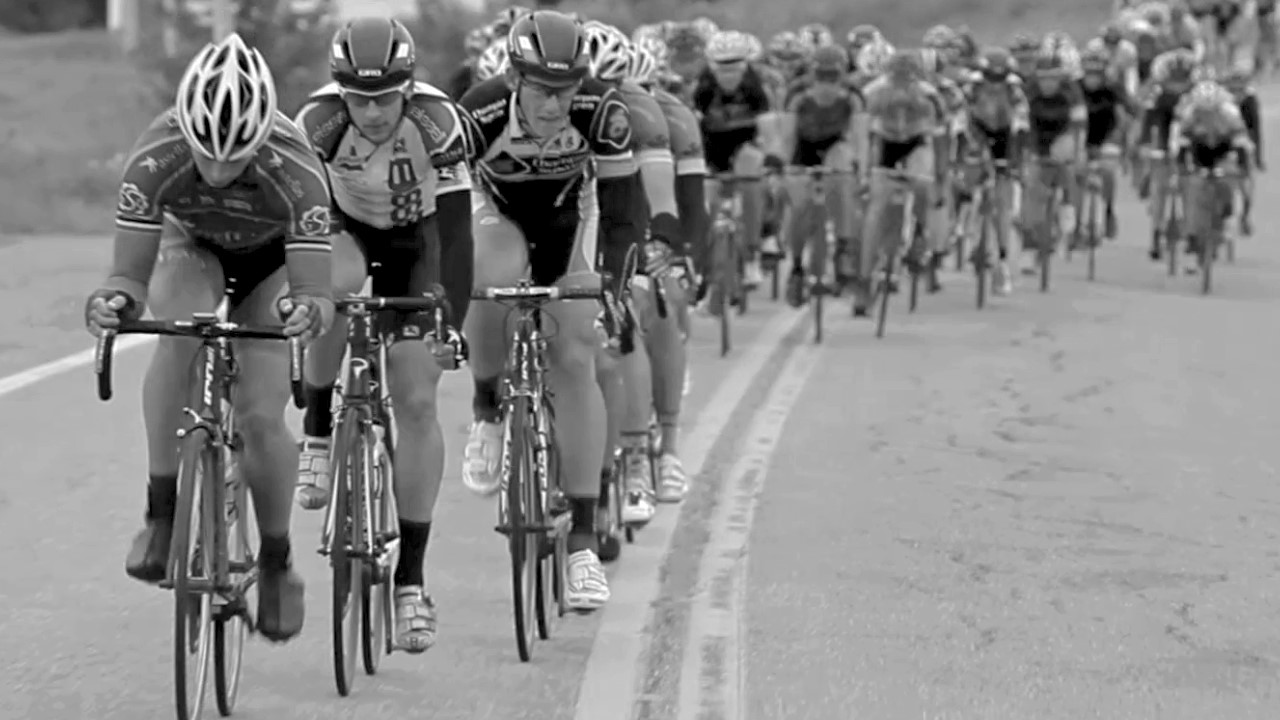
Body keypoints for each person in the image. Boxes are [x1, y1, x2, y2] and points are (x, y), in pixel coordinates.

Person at [83, 32, 344, 642]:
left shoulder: (297, 170)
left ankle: (276, 561)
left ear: (262, 140)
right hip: (192, 247)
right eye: (208, 156)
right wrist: (114, 301)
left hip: (273, 261)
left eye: (237, 158)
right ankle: (160, 510)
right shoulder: (156, 157)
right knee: (177, 331)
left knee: (258, 414)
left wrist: (307, 311)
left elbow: (315, 290)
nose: (221, 171)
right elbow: (128, 278)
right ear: (185, 131)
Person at [293, 17, 473, 653]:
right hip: (346, 230)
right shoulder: (316, 123)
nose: (371, 112)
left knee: (417, 400)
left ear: (409, 87)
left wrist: (451, 320)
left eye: (385, 97)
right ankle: (318, 427)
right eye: (358, 98)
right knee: (333, 289)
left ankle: (411, 581)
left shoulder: (438, 121)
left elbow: (457, 234)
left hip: (418, 242)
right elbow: (300, 223)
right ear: (340, 90)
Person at [458, 10, 644, 611]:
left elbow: (623, 212)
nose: (554, 105)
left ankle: (583, 543)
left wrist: (615, 287)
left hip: (572, 219)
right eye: (541, 91)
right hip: (498, 214)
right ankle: (487, 407)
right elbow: (446, 210)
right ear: (515, 80)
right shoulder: (480, 113)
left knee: (576, 351)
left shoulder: (602, 112)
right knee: (494, 277)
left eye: (566, 91)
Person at [858, 50, 949, 315]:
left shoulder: (930, 95)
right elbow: (861, 134)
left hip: (916, 142)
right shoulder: (873, 92)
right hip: (884, 143)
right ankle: (864, 279)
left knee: (922, 184)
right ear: (887, 75)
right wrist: (863, 174)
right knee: (875, 212)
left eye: (907, 78)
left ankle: (919, 232)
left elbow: (941, 137)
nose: (901, 83)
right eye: (896, 77)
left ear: (916, 78)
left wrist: (940, 177)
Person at [777, 43, 864, 304]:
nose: (827, 84)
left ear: (843, 75)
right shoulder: (797, 92)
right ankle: (796, 265)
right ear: (811, 74)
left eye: (833, 77)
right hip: (803, 147)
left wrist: (861, 169)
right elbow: (787, 135)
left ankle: (844, 246)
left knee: (843, 180)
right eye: (821, 76)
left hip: (836, 145)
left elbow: (860, 137)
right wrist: (783, 166)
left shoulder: (854, 94)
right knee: (799, 207)